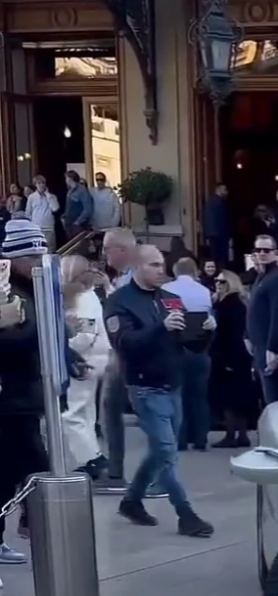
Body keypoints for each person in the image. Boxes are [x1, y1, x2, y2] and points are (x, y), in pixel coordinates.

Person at [103, 244, 213, 537]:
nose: (160, 270)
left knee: (160, 450)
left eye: (161, 264)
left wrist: (206, 331)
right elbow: (125, 342)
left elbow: (188, 342)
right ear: (137, 267)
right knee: (166, 451)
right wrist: (161, 328)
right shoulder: (119, 302)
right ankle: (185, 513)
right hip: (144, 387)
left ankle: (132, 500)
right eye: (153, 265)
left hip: (173, 384)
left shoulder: (170, 299)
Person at [0, 218, 50, 566]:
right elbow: (17, 337)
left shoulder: (34, 289)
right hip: (10, 400)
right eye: (32, 257)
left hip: (23, 398)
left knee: (22, 468)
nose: (38, 262)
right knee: (29, 466)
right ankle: (30, 524)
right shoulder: (10, 292)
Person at [98, 226, 142, 492]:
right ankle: (115, 471)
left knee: (117, 409)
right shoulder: (127, 276)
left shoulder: (133, 277)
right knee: (111, 409)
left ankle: (118, 474)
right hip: (123, 354)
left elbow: (126, 311)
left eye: (107, 248)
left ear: (121, 250)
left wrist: (106, 289)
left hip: (128, 356)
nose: (104, 254)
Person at [61, 253, 110, 476]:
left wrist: (64, 348)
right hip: (95, 358)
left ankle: (91, 457)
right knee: (86, 412)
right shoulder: (88, 296)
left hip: (85, 360)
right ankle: (92, 454)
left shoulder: (81, 299)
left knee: (71, 414)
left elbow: (85, 336)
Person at [165, 257, 214, 452]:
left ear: (175, 271)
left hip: (177, 348)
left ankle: (181, 439)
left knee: (179, 395)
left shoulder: (167, 290)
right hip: (200, 348)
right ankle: (201, 439)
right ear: (195, 271)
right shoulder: (204, 291)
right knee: (200, 396)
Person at [245, 232, 278, 405]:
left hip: (270, 349)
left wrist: (274, 348)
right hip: (259, 347)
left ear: (274, 252)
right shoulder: (263, 276)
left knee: (275, 400)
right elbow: (254, 309)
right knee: (267, 400)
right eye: (258, 250)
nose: (262, 253)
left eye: (266, 250)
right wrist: (246, 335)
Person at [208, 270, 256, 449]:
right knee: (240, 397)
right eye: (217, 281)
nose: (218, 285)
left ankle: (230, 435)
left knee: (227, 397)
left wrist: (226, 359)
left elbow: (229, 334)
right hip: (240, 355)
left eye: (222, 282)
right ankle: (242, 435)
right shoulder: (240, 304)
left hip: (228, 355)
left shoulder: (226, 306)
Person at [25, 176, 59, 249]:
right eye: (39, 183)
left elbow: (55, 208)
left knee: (50, 250)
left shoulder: (52, 196)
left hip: (49, 228)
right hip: (37, 229)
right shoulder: (31, 197)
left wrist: (48, 195)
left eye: (43, 183)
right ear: (35, 185)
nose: (41, 185)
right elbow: (28, 213)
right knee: (38, 250)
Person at [203, 184, 231, 267]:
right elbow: (223, 219)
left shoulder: (210, 202)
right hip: (220, 234)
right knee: (221, 257)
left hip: (212, 233)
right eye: (224, 190)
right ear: (218, 190)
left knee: (214, 256)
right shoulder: (220, 203)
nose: (227, 192)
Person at [63, 172, 93, 239]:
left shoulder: (82, 191)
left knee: (79, 245)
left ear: (71, 178)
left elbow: (88, 209)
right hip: (69, 223)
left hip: (78, 225)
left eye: (66, 178)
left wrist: (78, 221)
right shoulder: (70, 191)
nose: (66, 180)